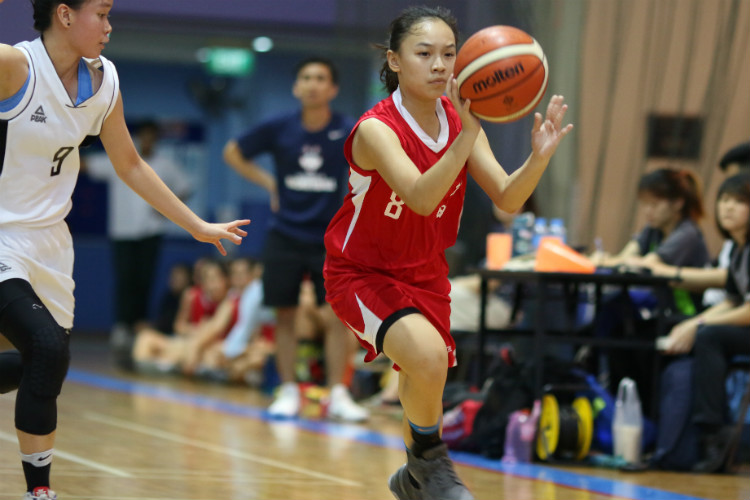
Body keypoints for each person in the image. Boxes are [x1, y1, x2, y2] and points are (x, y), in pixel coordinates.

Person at [0, 2, 249, 499]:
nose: (110, 26)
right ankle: (39, 491)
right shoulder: (14, 66)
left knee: (48, 360)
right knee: (46, 346)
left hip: (50, 242)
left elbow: (130, 164)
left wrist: (197, 225)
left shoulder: (105, 80)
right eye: (102, 13)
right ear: (65, 15)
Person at [322, 6, 573, 500]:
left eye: (449, 54)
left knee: (429, 368)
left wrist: (538, 159)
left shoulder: (458, 120)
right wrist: (466, 136)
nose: (441, 65)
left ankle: (415, 473)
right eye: (425, 54)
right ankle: (430, 467)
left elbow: (507, 199)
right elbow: (419, 196)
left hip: (425, 271)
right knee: (430, 356)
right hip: (361, 271)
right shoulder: (378, 128)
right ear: (394, 60)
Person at [223, 57, 368, 421]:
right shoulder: (279, 127)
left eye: (321, 78)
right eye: (306, 77)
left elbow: (373, 165)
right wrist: (270, 183)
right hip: (285, 234)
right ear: (296, 87)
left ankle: (338, 393)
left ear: (333, 89)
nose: (313, 84)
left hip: (330, 238)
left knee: (337, 316)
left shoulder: (347, 129)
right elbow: (232, 152)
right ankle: (288, 391)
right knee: (284, 315)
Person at [659, 172, 750, 473]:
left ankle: (713, 434)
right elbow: (732, 300)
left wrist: (700, 328)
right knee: (686, 328)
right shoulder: (738, 250)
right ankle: (671, 438)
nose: (728, 208)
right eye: (724, 200)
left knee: (710, 337)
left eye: (739, 201)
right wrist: (691, 324)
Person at [82, 119, 192, 353]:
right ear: (136, 137)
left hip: (150, 232)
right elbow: (85, 164)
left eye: (152, 136)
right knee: (125, 280)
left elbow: (185, 186)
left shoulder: (164, 165)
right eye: (144, 135)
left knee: (145, 279)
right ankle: (122, 326)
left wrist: (168, 210)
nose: (147, 140)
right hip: (122, 232)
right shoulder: (118, 160)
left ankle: (139, 326)